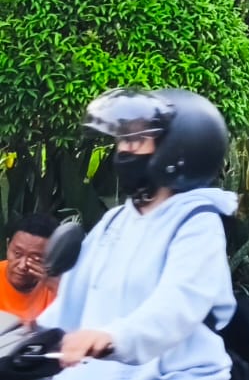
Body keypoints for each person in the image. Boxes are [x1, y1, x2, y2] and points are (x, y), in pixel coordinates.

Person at [41, 88, 238, 379]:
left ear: (177, 150)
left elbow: (176, 306)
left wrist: (111, 337)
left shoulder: (196, 222)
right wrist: (36, 334)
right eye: (122, 140)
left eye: (135, 140)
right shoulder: (116, 220)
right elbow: (75, 297)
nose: (123, 150)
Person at [0, 213, 58, 325]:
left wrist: (57, 289)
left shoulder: (57, 287)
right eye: (17, 254)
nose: (22, 266)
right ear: (8, 245)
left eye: (35, 259)